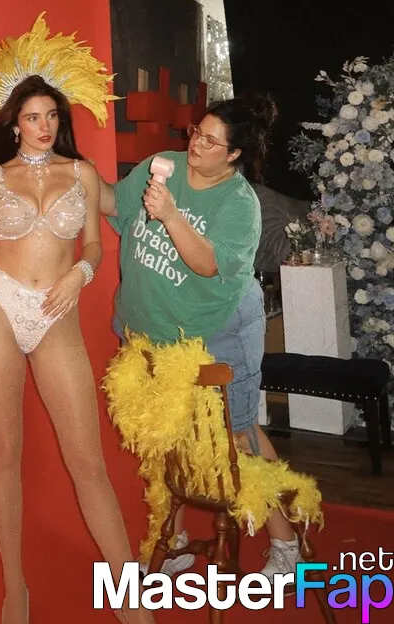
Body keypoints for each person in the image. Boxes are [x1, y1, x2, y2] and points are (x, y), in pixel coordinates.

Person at [0, 15, 154, 624]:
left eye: (51, 116)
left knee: (88, 463)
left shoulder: (82, 172)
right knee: (5, 453)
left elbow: (99, 240)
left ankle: (132, 601)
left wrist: (82, 274)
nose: (43, 126)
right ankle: (15, 589)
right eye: (31, 117)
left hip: (57, 312)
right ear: (14, 124)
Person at [99, 93, 302, 581]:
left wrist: (171, 214)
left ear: (234, 154)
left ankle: (286, 543)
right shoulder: (160, 166)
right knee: (167, 433)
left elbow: (207, 264)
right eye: (197, 132)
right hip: (154, 327)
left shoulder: (239, 203)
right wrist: (74, 170)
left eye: (212, 142)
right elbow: (114, 204)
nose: (196, 145)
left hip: (218, 328)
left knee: (237, 435)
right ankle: (175, 543)